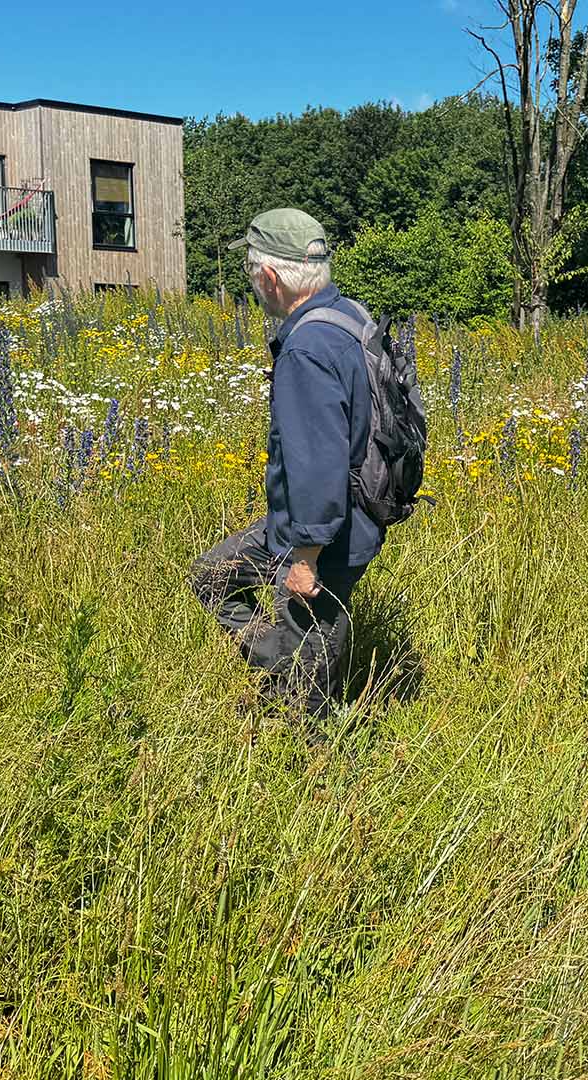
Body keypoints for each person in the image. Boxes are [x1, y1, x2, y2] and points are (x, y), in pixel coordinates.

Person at [189, 208, 385, 718]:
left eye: (252, 271)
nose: (253, 283)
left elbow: (318, 462)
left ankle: (313, 745)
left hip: (323, 530)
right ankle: (284, 672)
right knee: (213, 576)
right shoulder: (348, 316)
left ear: (270, 277)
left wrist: (305, 557)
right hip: (347, 513)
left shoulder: (308, 348)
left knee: (309, 674)